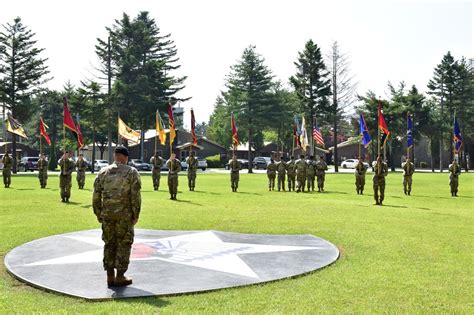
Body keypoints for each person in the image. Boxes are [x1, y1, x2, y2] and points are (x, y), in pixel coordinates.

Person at [92, 146, 141, 287]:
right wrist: (135, 214)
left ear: (115, 156)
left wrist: (98, 212)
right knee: (124, 244)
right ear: (125, 157)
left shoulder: (103, 172)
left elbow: (96, 195)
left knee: (109, 244)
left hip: (107, 215)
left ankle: (109, 276)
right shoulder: (132, 172)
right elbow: (135, 197)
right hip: (124, 216)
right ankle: (120, 276)